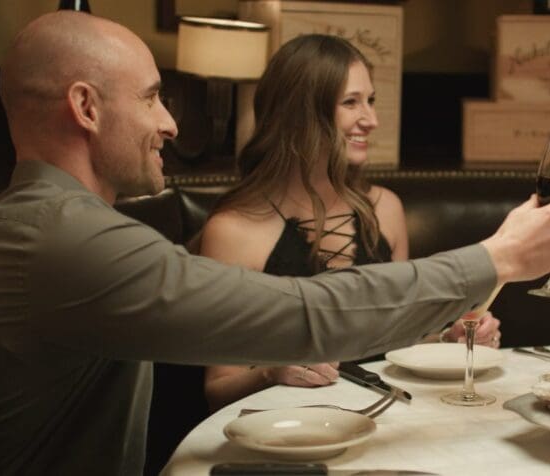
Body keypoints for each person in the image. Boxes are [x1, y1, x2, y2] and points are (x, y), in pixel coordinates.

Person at [0, 11, 550, 475]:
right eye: (153, 97)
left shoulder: (56, 225)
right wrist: (497, 257)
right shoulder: (61, 240)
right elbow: (303, 316)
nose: (168, 122)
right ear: (85, 107)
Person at [198, 34, 501, 411]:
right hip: (287, 431)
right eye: (351, 103)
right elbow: (218, 388)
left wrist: (449, 341)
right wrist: (272, 372)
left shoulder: (384, 209)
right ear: (302, 113)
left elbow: (398, 345)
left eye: (371, 100)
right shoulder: (233, 229)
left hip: (386, 420)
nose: (371, 120)